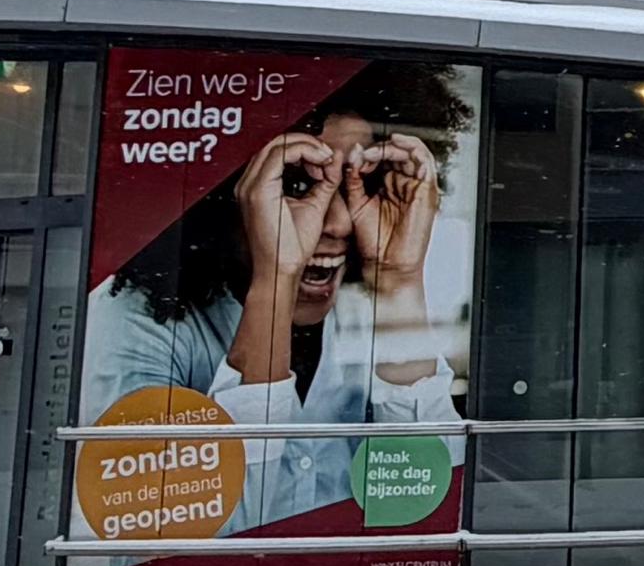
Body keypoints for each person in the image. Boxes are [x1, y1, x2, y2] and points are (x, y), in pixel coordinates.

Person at [87, 61, 471, 531]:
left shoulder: (365, 308)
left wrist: (397, 280)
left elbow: (430, 512)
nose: (340, 223)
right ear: (226, 193)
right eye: (297, 184)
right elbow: (175, 537)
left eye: (362, 183)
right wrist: (274, 281)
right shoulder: (135, 317)